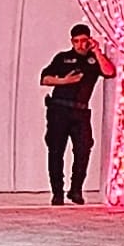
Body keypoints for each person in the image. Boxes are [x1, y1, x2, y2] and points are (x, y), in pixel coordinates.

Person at [40, 24, 116, 205]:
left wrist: (97, 51)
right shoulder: (63, 58)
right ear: (71, 42)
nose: (80, 45)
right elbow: (44, 78)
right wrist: (64, 81)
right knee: (56, 151)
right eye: (76, 41)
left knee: (83, 150)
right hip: (59, 110)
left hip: (80, 111)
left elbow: (109, 72)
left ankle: (76, 190)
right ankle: (57, 192)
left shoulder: (93, 60)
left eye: (84, 41)